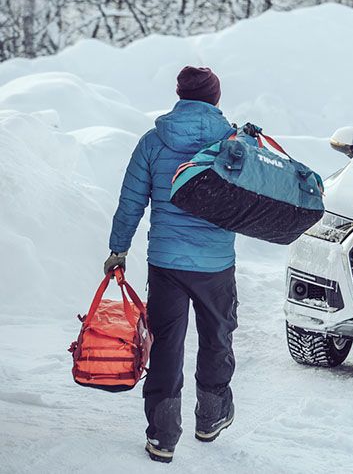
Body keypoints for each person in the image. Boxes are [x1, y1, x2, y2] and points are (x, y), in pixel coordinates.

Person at [104, 66, 238, 463]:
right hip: (216, 264)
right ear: (215, 98)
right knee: (217, 337)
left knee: (166, 344)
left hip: (166, 262)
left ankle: (163, 436)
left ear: (180, 95)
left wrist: (118, 249)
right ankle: (210, 416)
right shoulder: (231, 142)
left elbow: (131, 202)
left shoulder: (153, 142)